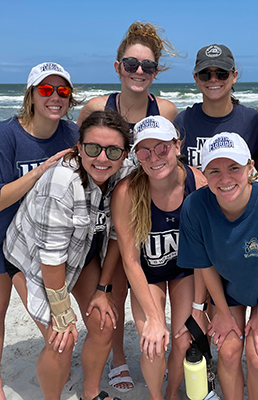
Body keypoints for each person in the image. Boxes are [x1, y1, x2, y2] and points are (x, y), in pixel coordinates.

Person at [77, 21, 180, 392]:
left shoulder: (165, 110)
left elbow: (172, 158)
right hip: (102, 215)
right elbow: (81, 155)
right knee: (114, 289)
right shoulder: (95, 106)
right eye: (131, 64)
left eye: (147, 66)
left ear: (156, 72)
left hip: (145, 217)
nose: (139, 72)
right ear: (118, 66)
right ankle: (118, 359)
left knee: (138, 276)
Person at [2, 110, 133, 400]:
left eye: (113, 150)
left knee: (104, 323)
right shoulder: (62, 182)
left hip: (81, 252)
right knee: (62, 340)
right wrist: (62, 313)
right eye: (92, 148)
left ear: (125, 154)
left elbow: (115, 235)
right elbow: (51, 257)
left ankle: (90, 394)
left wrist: (102, 289)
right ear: (79, 147)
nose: (102, 158)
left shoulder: (124, 174)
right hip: (33, 259)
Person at [0, 62, 80, 400]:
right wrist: (41, 171)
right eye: (46, 90)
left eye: (62, 91)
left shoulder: (71, 135)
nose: (55, 97)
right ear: (32, 96)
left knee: (57, 331)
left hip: (44, 246)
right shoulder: (7, 135)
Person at [177, 132, 258, 400]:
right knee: (229, 353)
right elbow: (204, 264)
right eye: (215, 171)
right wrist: (221, 311)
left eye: (234, 168)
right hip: (229, 287)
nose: (225, 178)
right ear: (204, 173)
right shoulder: (195, 206)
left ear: (250, 167)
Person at [111, 116, 207, 400]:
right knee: (152, 344)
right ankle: (156, 396)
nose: (154, 158)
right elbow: (129, 260)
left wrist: (200, 306)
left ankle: (172, 392)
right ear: (136, 155)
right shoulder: (127, 192)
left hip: (184, 272)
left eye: (162, 148)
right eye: (144, 151)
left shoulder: (196, 182)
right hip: (147, 273)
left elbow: (204, 253)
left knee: (184, 339)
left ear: (177, 146)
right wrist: (154, 318)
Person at [174, 44, 258, 179]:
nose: (213, 79)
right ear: (196, 79)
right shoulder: (183, 121)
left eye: (222, 74)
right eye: (205, 74)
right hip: (196, 200)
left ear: (234, 76)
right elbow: (174, 173)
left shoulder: (252, 121)